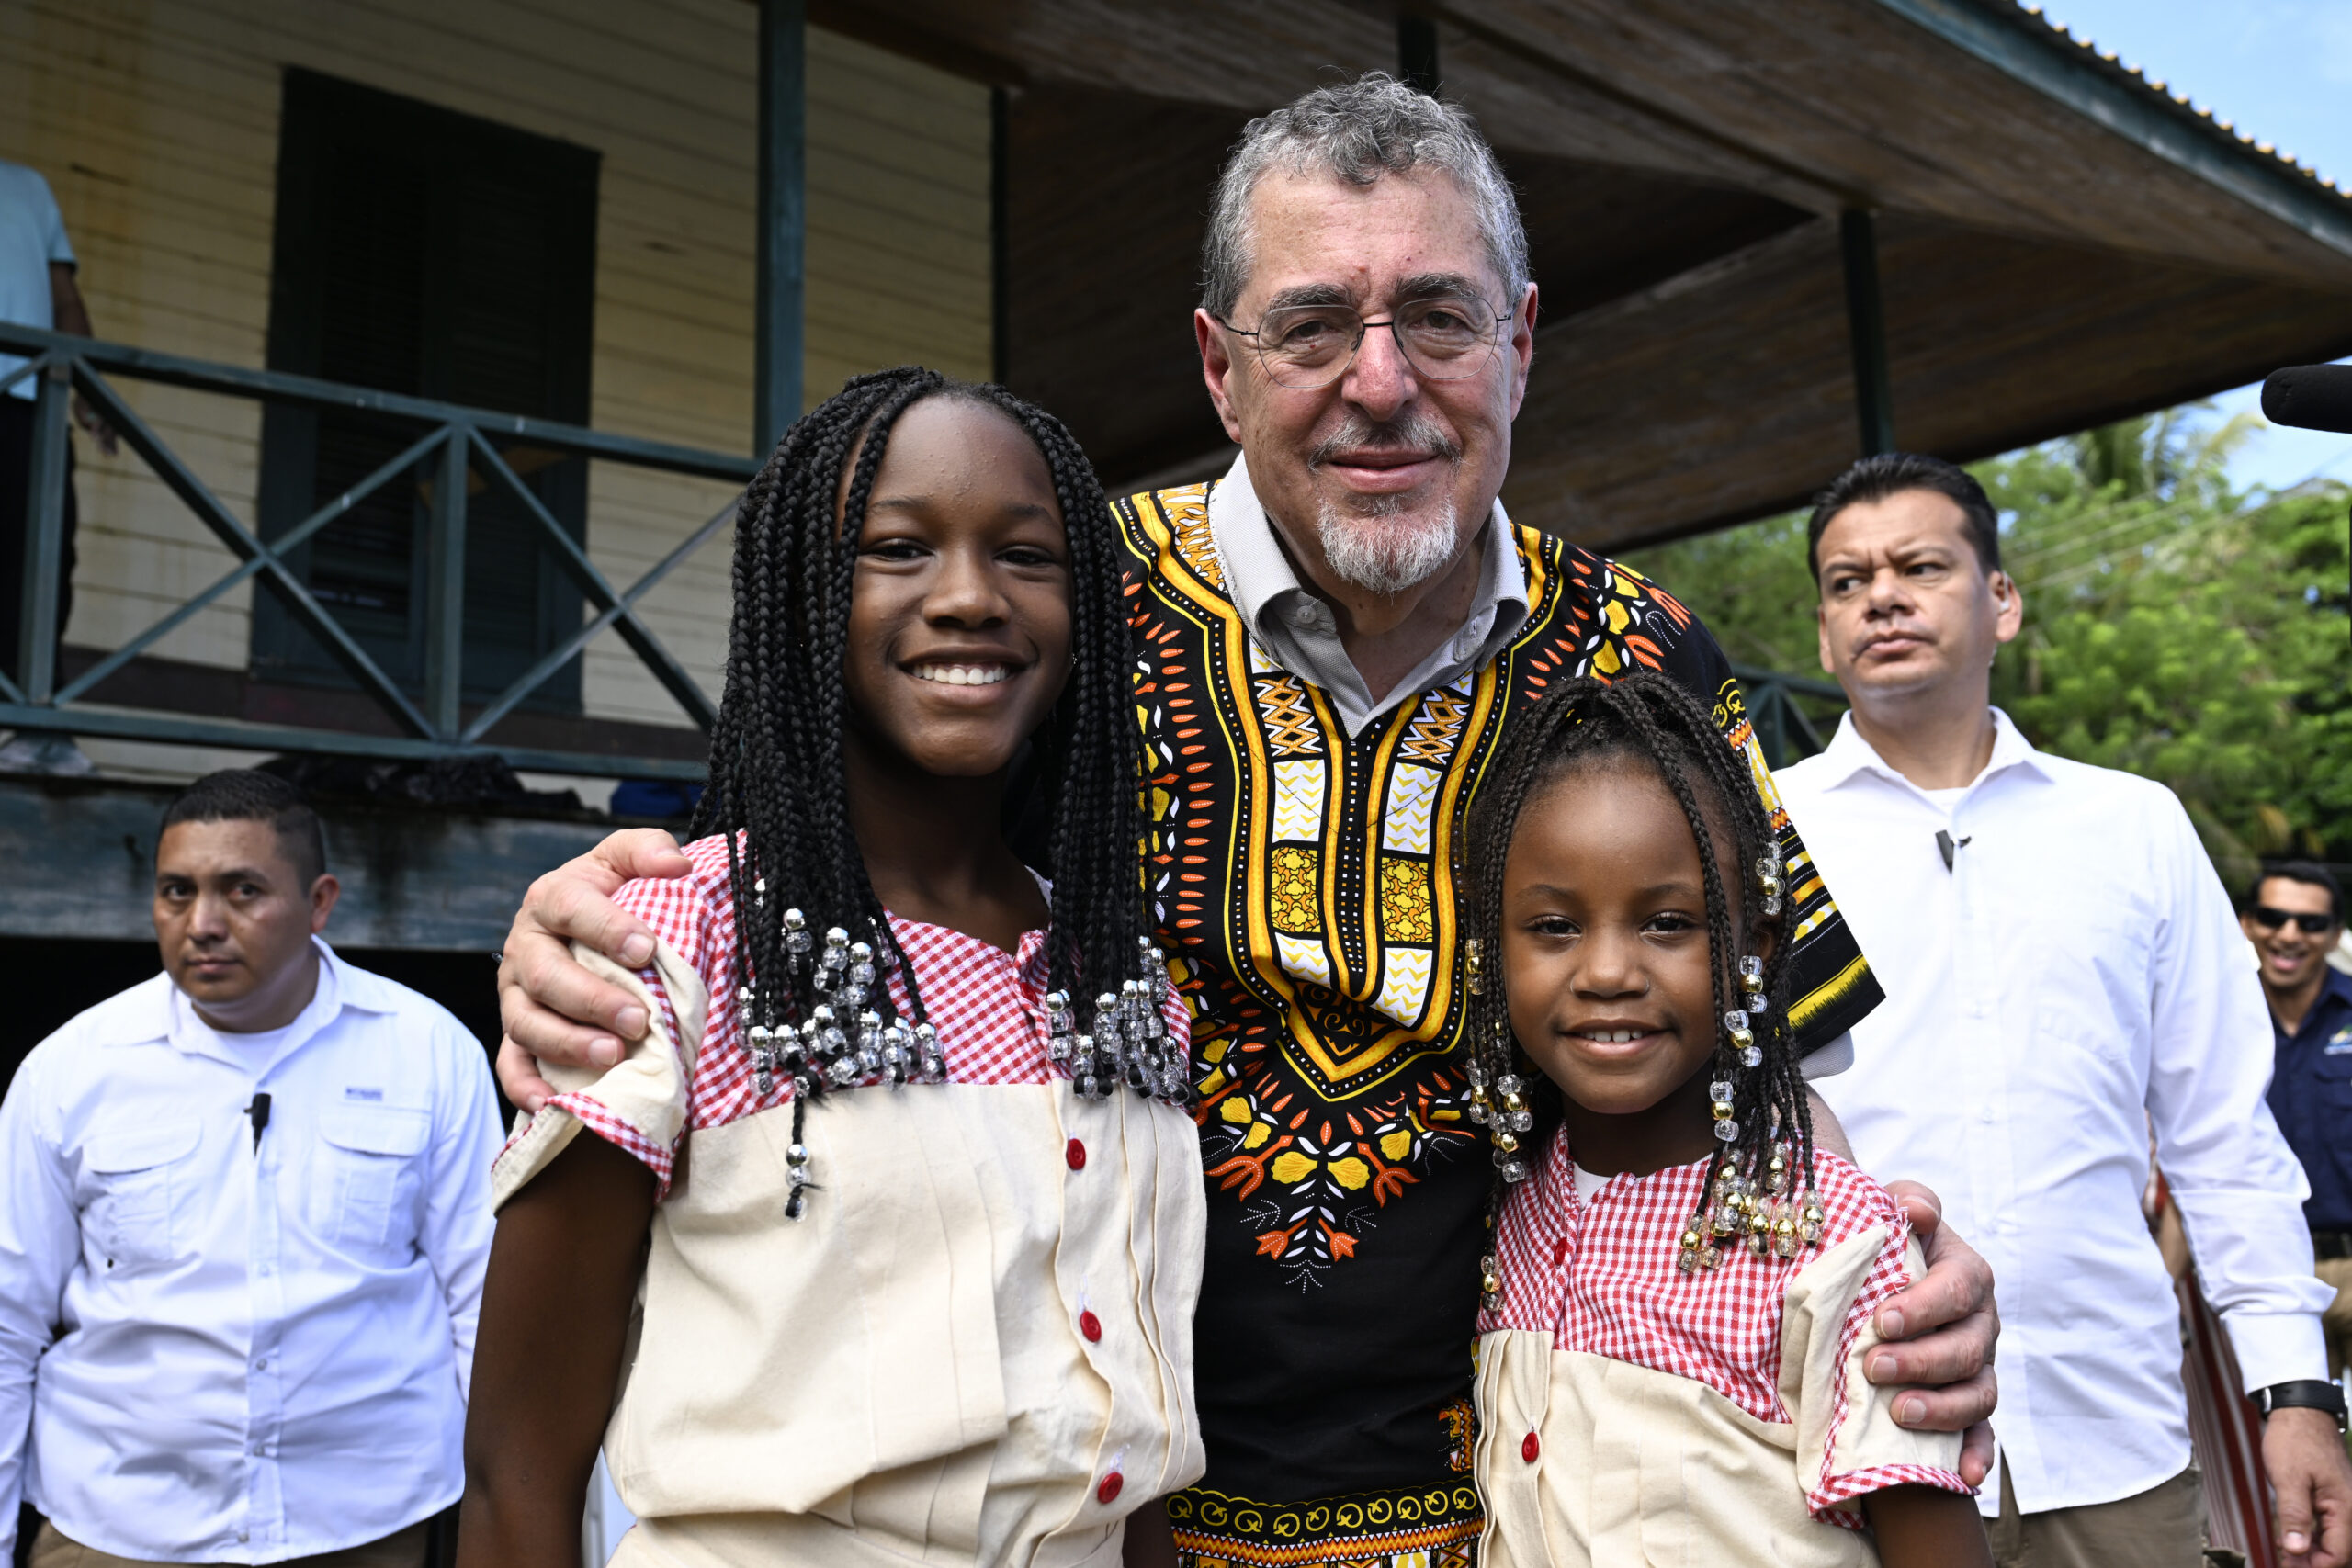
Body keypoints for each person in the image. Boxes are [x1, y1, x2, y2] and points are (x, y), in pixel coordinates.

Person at [491, 79, 1999, 1568]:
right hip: (1093, 1523)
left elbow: (1761, 1067)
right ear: (1221, 366)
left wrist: (1879, 1288)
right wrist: (587, 928)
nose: (1381, 382)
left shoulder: (1643, 660)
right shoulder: (1066, 606)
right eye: (1314, 326)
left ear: (1522, 342)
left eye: (1440, 318)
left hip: (1510, 1513)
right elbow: (822, 854)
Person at [458, 369, 1205, 1567]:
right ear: (803, 594)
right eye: (897, 548)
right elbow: (516, 1474)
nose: (969, 597)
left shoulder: (1120, 978)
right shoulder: (681, 940)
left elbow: (1126, 1439)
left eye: (1027, 555)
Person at [1776, 451, 2352, 1568]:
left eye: (1919, 567)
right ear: (1823, 635)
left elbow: (2221, 1137)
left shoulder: (2132, 828)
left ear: (2001, 600)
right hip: (1845, 1435)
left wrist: (2294, 1390)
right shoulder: (1758, 832)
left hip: (2112, 1438)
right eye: (1847, 581)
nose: (1881, 596)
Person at [1463, 671, 1987, 1567]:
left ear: (1758, 945)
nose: (1607, 972)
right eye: (1553, 926)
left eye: (1667, 922)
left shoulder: (1834, 1241)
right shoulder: (1508, 1210)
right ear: (1489, 948)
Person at [0, 769, 501, 1567]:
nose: (202, 923)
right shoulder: (70, 1070)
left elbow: (484, 1304)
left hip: (368, 1523)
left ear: (320, 902)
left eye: (242, 890)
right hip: (119, 1523)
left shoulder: (430, 1051)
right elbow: (7, 1321)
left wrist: (502, 1524)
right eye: (176, 891)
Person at [0, 155, 112, 774]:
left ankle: (39, 729)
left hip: (30, 405)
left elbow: (65, 300)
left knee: (42, 566)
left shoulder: (28, 187)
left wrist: (88, 389)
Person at [2246, 862, 2352, 1377]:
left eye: (2310, 923)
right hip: (2263, 1279)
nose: (2289, 934)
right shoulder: (2218, 1022)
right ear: (2247, 923)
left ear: (2334, 934)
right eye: (2273, 917)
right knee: (2290, 1424)